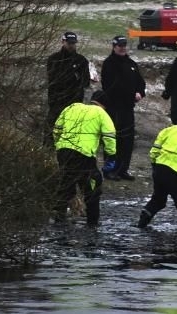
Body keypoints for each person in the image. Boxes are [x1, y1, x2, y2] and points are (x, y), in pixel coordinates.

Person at [52, 90, 117, 226]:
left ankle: (58, 218)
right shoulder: (101, 114)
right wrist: (111, 154)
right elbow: (110, 136)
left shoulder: (72, 107)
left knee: (66, 183)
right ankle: (92, 223)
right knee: (92, 186)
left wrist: (59, 145)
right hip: (84, 154)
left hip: (63, 151)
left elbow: (57, 128)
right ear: (104, 105)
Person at [100, 35, 146, 181]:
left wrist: (139, 92)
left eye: (124, 45)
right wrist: (129, 94)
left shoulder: (131, 64)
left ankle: (123, 169)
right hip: (114, 107)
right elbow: (109, 86)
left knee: (128, 140)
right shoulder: (109, 64)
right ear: (114, 47)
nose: (123, 48)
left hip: (128, 108)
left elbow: (141, 82)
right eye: (120, 46)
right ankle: (110, 169)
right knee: (113, 139)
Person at [46, 31, 90, 143]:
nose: (71, 45)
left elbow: (85, 82)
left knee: (72, 132)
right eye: (69, 43)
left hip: (74, 103)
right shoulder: (54, 59)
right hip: (57, 102)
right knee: (51, 131)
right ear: (63, 42)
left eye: (73, 43)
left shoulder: (81, 61)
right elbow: (53, 80)